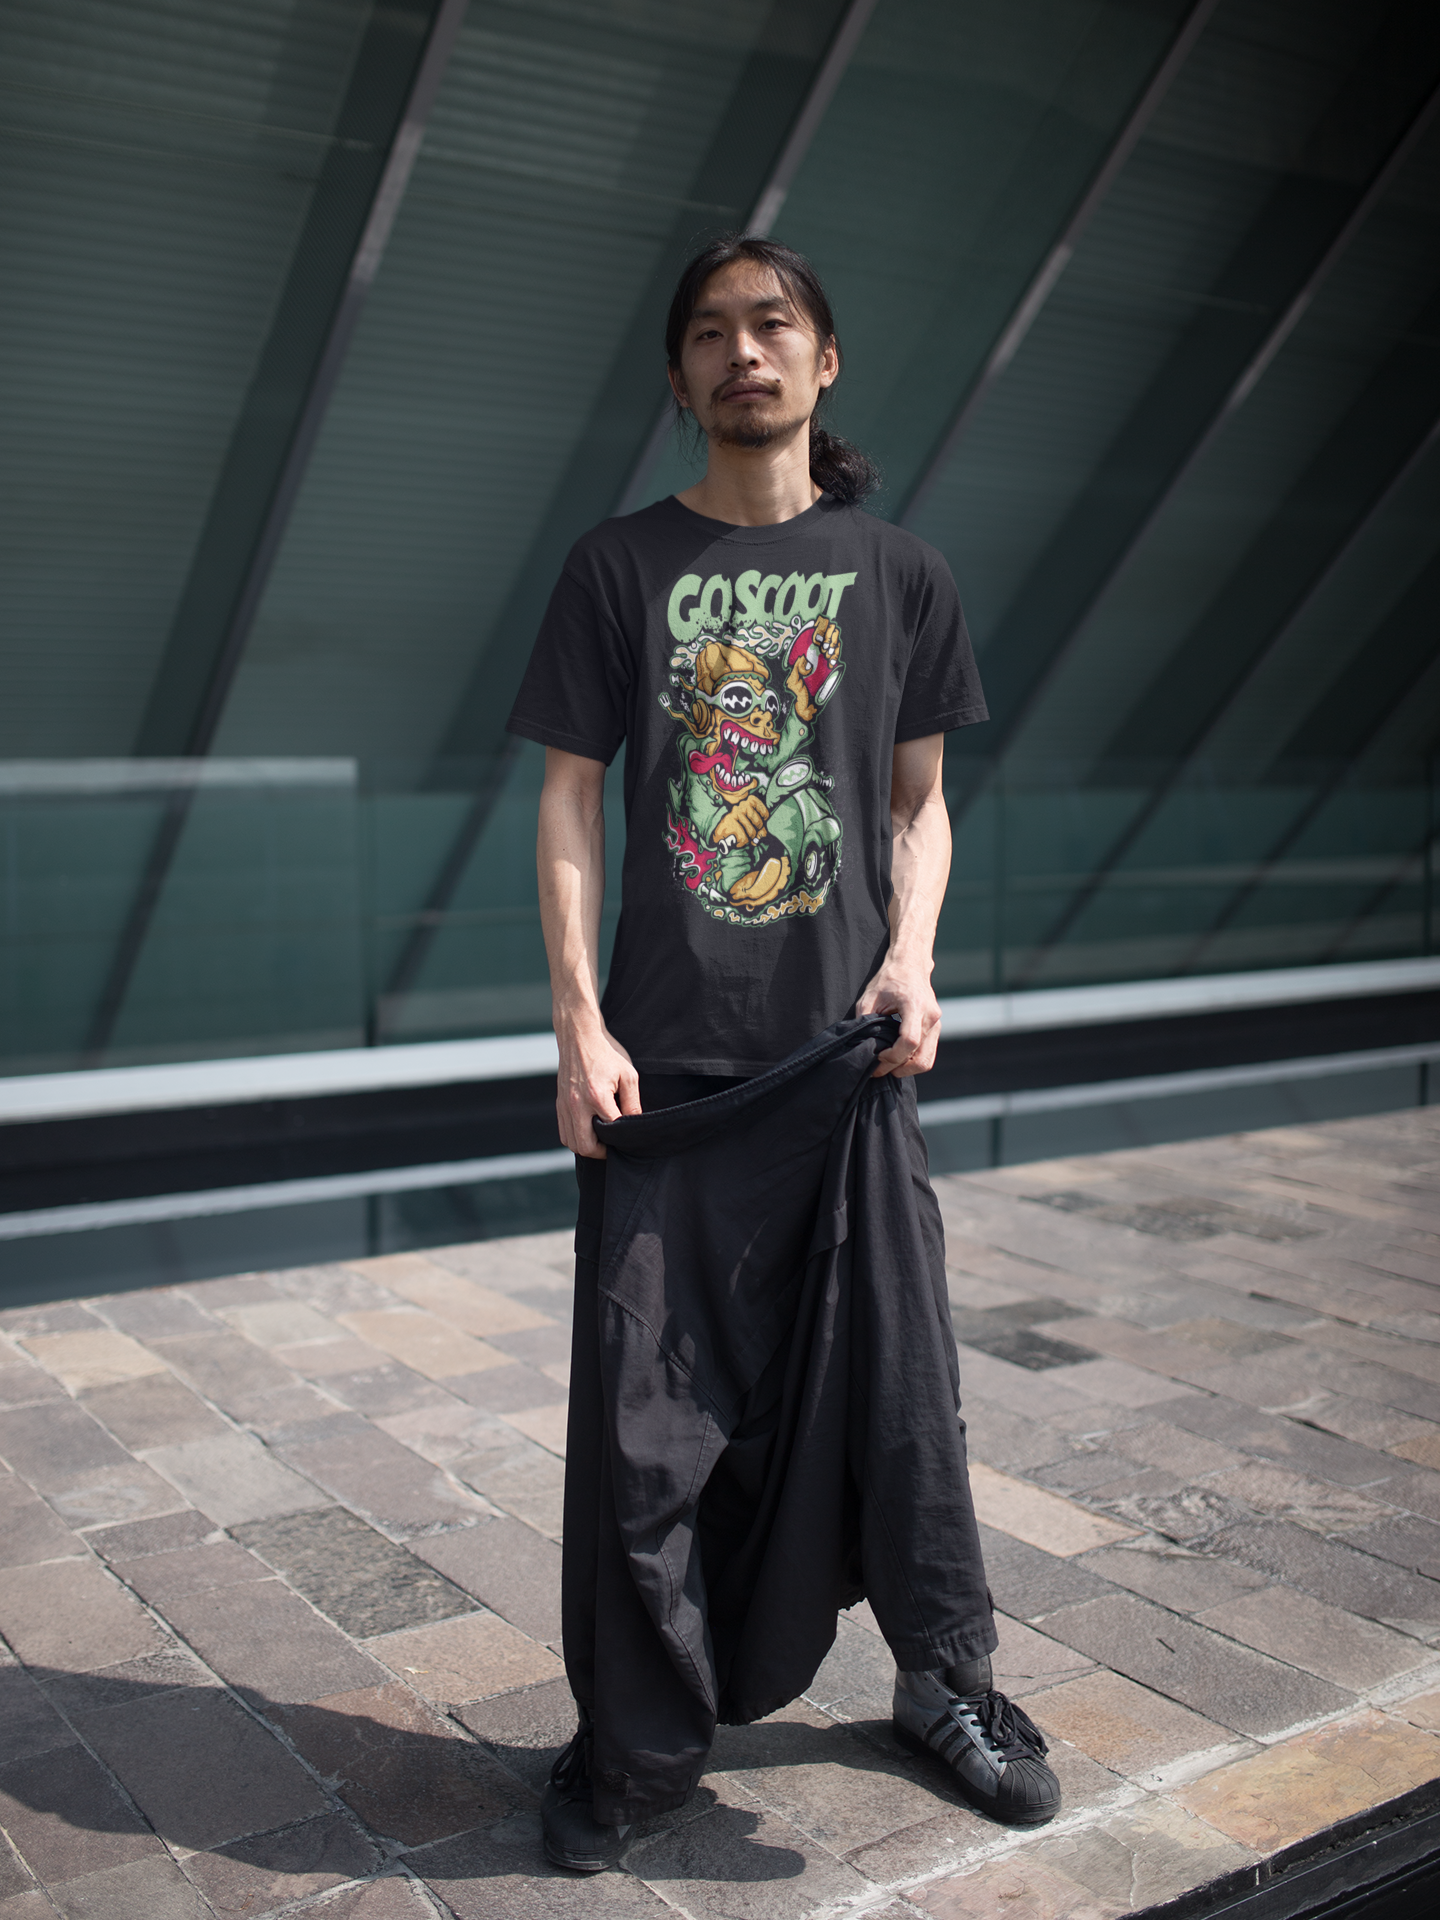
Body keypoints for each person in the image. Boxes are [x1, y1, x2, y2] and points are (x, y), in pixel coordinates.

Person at [506, 235, 1061, 1871]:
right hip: (664, 1082)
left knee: (902, 1399)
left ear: (824, 363)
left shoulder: (901, 573)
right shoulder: (617, 567)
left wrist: (914, 960)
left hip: (845, 1068)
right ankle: (634, 1742)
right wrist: (577, 1022)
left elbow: (917, 807)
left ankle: (945, 1683)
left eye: (773, 325)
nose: (742, 351)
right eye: (710, 332)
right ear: (679, 380)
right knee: (644, 1424)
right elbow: (568, 805)